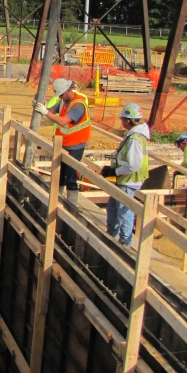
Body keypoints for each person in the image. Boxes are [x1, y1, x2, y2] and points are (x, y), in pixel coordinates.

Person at [34, 78, 90, 206]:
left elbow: (63, 121)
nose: (60, 97)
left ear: (68, 90)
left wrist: (45, 111)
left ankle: (71, 205)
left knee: (70, 176)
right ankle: (57, 199)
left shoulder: (78, 105)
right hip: (63, 143)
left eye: (61, 95)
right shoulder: (63, 102)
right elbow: (51, 111)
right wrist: (40, 108)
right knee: (60, 174)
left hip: (76, 145)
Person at [100, 103, 149, 248]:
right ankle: (111, 235)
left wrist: (115, 171)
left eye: (122, 119)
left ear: (128, 120)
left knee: (124, 212)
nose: (121, 122)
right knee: (113, 209)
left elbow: (133, 165)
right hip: (123, 180)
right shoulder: (134, 136)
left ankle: (125, 243)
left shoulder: (135, 139)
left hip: (128, 181)